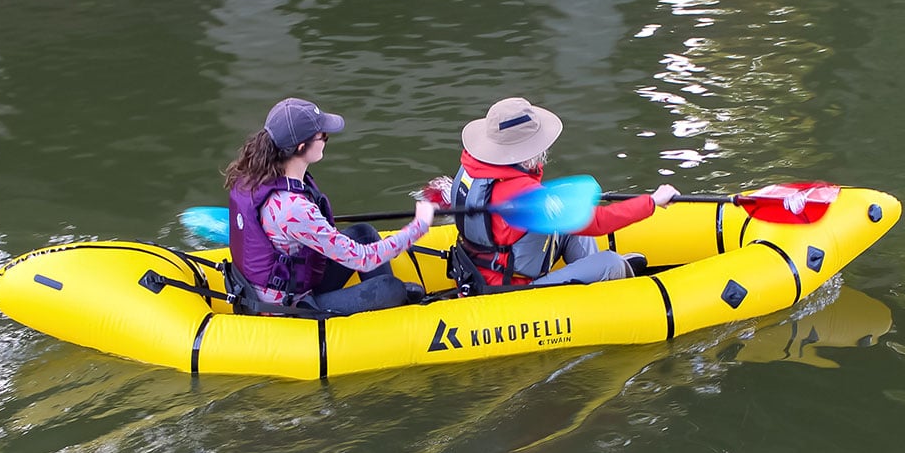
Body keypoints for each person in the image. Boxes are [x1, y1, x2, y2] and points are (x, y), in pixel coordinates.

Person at [224, 97, 435, 315]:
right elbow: (364, 259)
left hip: (288, 281)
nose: (326, 139)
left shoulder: (261, 174)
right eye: (322, 136)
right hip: (286, 306)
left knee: (363, 232)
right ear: (301, 146)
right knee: (390, 288)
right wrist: (419, 226)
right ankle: (393, 303)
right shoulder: (293, 209)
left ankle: (389, 299)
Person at [452, 96, 678, 288]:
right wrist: (652, 201)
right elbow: (598, 222)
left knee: (570, 218)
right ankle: (612, 274)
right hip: (511, 289)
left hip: (479, 270)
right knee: (611, 262)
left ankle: (594, 270)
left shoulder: (470, 170)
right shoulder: (524, 193)